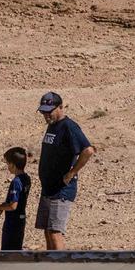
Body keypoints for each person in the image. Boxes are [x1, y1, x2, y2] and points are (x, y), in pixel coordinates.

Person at [36, 92, 95, 251]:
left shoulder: (69, 126)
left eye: (49, 111)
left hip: (61, 190)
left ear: (61, 107)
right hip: (48, 188)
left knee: (55, 232)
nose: (46, 115)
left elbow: (88, 150)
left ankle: (60, 269)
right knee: (48, 231)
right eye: (43, 111)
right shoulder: (52, 125)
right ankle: (50, 266)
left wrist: (71, 173)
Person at [0, 147, 31, 251]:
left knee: (8, 251)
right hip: (21, 219)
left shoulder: (16, 182)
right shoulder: (26, 178)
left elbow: (13, 206)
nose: (7, 166)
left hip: (12, 222)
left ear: (12, 164)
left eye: (7, 163)